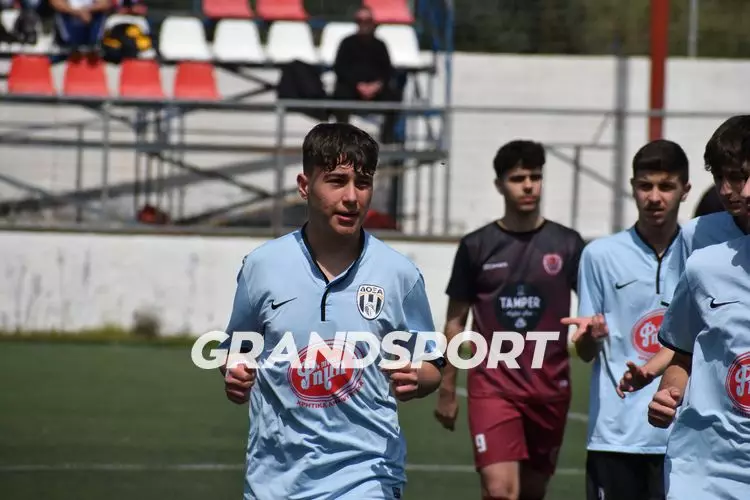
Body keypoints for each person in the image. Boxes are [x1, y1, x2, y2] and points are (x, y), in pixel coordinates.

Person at [219, 123, 444, 500]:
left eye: (363, 183)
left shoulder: (399, 274)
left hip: (367, 475)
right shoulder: (262, 266)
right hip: (275, 481)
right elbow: (236, 350)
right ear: (304, 185)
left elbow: (433, 363)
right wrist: (235, 370)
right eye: (337, 181)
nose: (352, 197)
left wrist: (418, 378)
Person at [433, 140, 586, 500]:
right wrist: (447, 389)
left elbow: (596, 309)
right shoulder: (476, 246)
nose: (528, 186)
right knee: (500, 490)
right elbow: (456, 323)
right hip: (493, 389)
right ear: (500, 185)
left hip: (550, 389)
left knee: (532, 491)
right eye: (518, 178)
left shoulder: (568, 244)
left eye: (535, 177)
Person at [565, 140, 691, 500]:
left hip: (682, 434)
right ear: (632, 187)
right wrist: (590, 336)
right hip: (615, 434)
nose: (655, 197)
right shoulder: (600, 255)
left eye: (666, 186)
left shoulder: (700, 254)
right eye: (645, 185)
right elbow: (585, 352)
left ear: (685, 190)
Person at [616, 115, 750, 397]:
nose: (726, 190)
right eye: (718, 177)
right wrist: (650, 371)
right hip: (716, 404)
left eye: (737, 177)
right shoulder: (697, 235)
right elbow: (683, 333)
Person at [648, 187, 750, 498]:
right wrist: (668, 394)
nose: (745, 191)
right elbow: (683, 353)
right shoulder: (704, 267)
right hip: (706, 470)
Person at [332, 6, 401, 143]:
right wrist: (358, 85)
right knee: (340, 95)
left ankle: (387, 139)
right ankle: (343, 139)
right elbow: (340, 68)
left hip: (376, 90)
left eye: (367, 20)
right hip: (352, 88)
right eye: (360, 20)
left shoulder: (380, 45)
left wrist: (377, 85)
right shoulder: (347, 43)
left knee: (395, 97)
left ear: (372, 23)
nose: (363, 24)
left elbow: (387, 70)